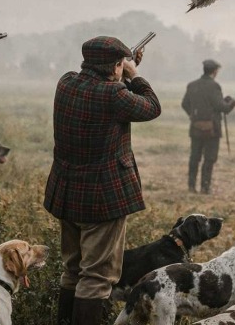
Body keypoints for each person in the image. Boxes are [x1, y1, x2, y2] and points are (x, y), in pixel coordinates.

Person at [44, 36, 161, 325]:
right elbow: (152, 106)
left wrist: (121, 72)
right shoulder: (114, 94)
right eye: (121, 64)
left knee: (72, 269)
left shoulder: (66, 82)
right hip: (102, 197)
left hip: (67, 191)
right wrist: (135, 75)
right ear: (118, 65)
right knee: (97, 277)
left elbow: (98, 87)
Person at [181, 59, 235, 193]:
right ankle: (205, 187)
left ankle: (191, 186)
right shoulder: (214, 86)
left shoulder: (192, 85)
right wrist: (231, 103)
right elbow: (221, 107)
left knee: (194, 157)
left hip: (195, 127)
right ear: (215, 71)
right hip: (212, 129)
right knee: (209, 158)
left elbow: (184, 104)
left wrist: (192, 116)